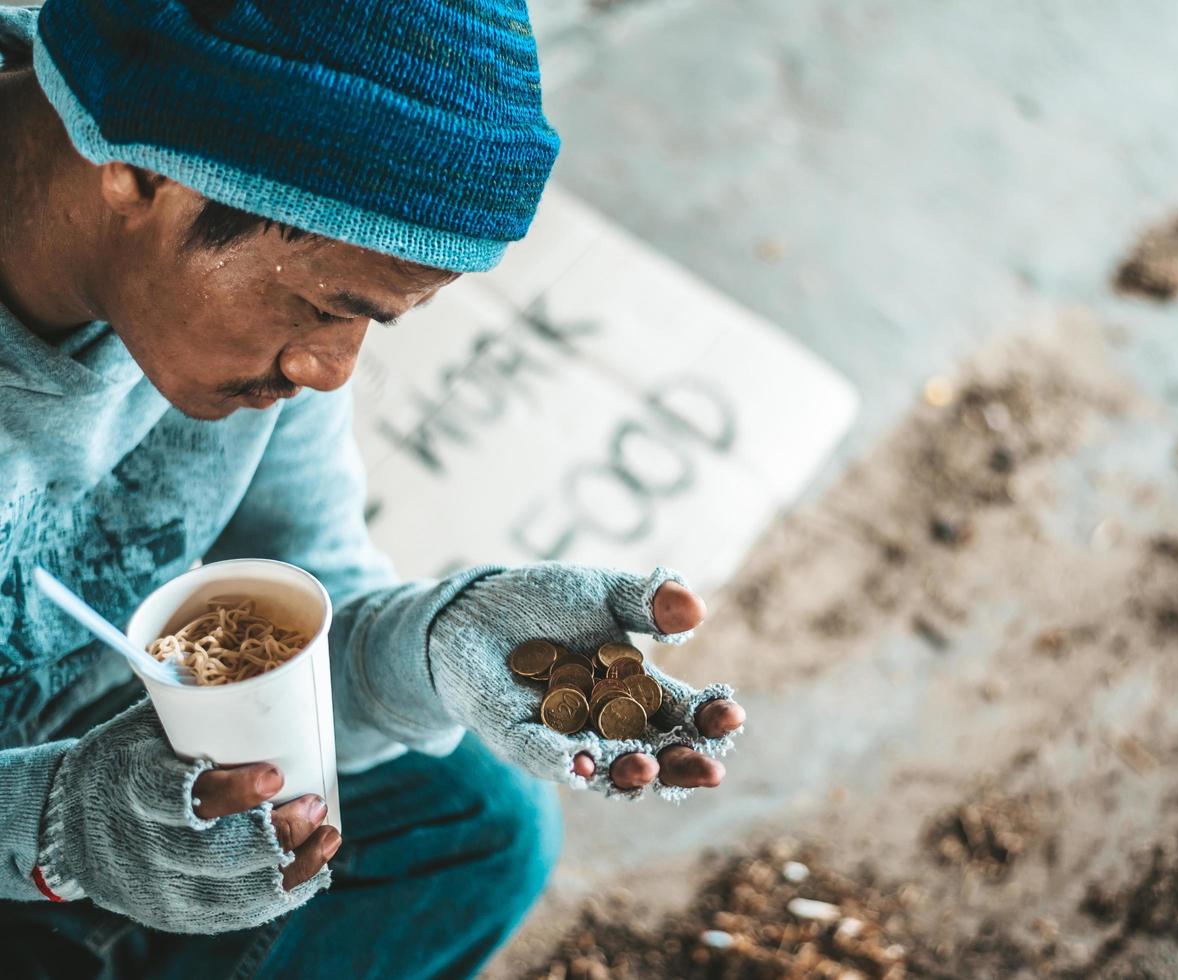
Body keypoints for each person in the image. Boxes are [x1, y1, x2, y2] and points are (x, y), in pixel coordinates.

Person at [0, 2, 746, 977]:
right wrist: (54, 827)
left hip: (125, 744)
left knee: (472, 828)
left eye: (375, 324)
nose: (332, 370)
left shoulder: (249, 318)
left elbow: (309, 597)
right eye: (325, 307)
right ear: (141, 168)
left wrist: (432, 646)